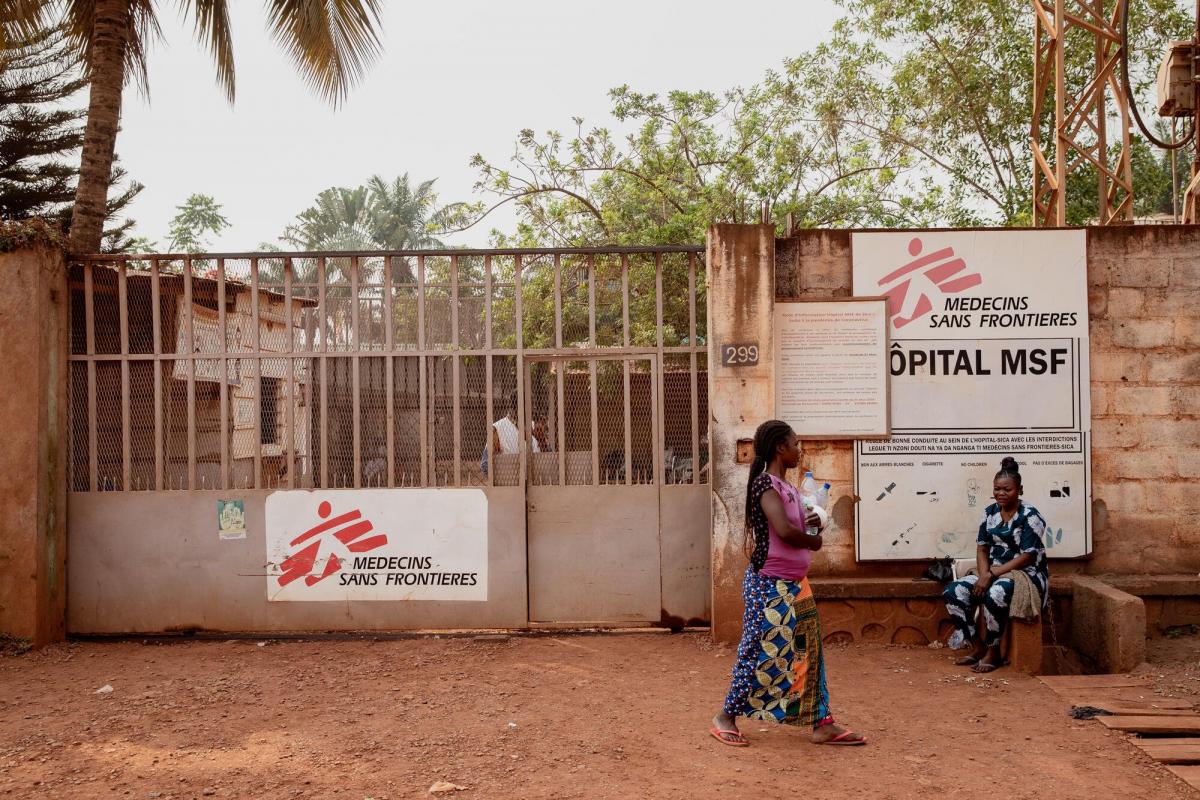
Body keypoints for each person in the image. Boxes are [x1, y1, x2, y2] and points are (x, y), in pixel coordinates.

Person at [710, 420, 867, 747]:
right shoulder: (765, 485)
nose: (800, 449)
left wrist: (813, 523)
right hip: (770, 584)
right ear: (781, 447)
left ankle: (822, 723)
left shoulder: (788, 487)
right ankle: (726, 716)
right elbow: (782, 530)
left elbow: (795, 525)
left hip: (795, 583)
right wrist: (812, 543)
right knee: (757, 649)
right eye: (796, 444)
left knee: (810, 648)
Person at [942, 456, 1050, 674]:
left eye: (1007, 489)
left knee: (995, 594)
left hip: (1025, 574)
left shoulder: (1030, 516)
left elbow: (1027, 556)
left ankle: (994, 651)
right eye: (997, 489)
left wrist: (991, 575)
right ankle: (977, 645)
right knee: (953, 592)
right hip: (993, 571)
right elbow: (982, 547)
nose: (1001, 493)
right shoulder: (990, 512)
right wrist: (983, 575)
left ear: (1019, 490)